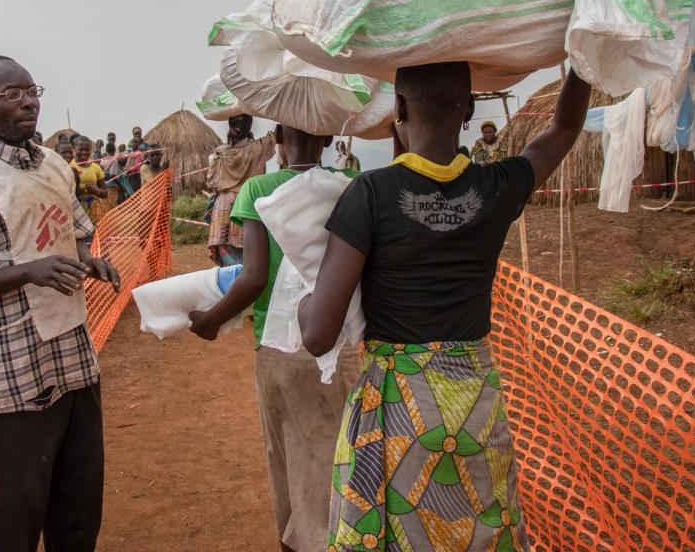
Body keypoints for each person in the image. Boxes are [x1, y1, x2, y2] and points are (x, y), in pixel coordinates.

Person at [298, 61, 591, 552]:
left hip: (397, 416)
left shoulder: (369, 193)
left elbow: (317, 336)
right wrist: (581, 55)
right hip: (475, 409)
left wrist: (307, 297)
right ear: (470, 110)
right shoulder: (497, 187)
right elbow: (564, 127)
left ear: (399, 109)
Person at [0, 55, 120, 552]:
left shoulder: (55, 164)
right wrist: (28, 272)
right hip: (10, 372)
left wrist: (88, 260)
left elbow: (75, 232)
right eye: (11, 93)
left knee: (78, 507)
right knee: (16, 513)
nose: (28, 101)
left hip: (72, 360)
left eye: (32, 90)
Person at [189, 124, 360, 552]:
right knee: (340, 451)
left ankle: (302, 542)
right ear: (325, 140)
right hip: (344, 343)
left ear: (278, 139)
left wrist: (210, 320)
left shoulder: (259, 189)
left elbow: (253, 277)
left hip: (281, 346)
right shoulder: (349, 187)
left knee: (287, 456)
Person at [206, 114, 277, 266]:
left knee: (229, 266)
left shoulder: (220, 152)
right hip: (247, 204)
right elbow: (278, 136)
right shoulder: (259, 147)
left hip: (223, 208)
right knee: (249, 260)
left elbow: (211, 181)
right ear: (249, 126)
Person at [71, 136, 109, 226]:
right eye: (80, 149)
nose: (84, 153)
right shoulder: (69, 165)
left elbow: (105, 193)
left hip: (94, 210)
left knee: (95, 236)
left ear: (91, 150)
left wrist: (96, 190)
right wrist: (77, 191)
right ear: (74, 148)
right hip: (76, 209)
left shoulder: (96, 168)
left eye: (87, 150)